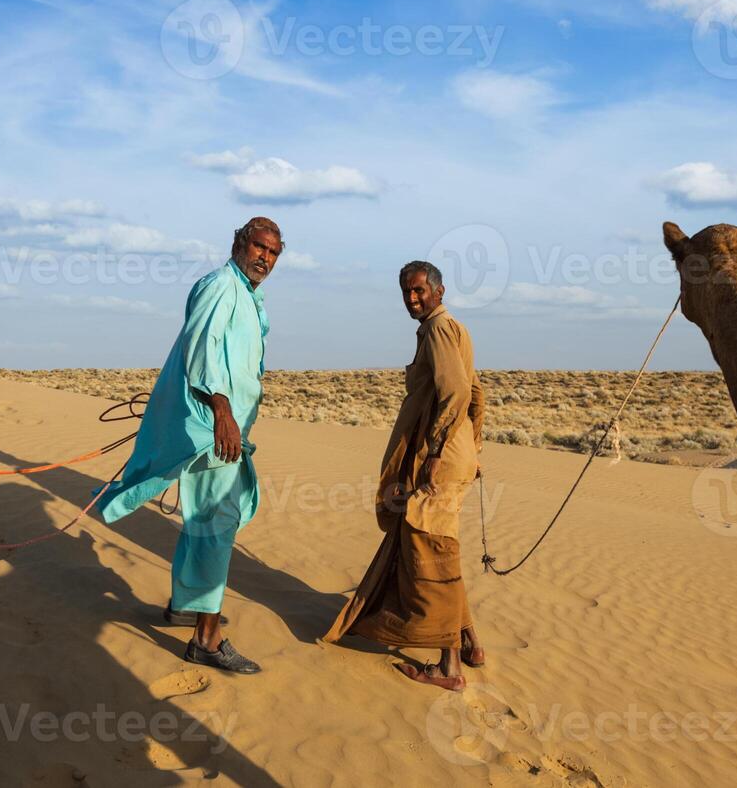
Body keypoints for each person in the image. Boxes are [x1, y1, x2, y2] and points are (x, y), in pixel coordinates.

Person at [98, 217, 283, 675]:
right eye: (259, 247)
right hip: (214, 429)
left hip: (227, 428)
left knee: (207, 518)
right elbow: (201, 348)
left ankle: (189, 605)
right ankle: (206, 638)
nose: (265, 257)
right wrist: (222, 410)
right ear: (240, 243)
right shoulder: (221, 285)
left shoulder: (246, 293)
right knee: (215, 523)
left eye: (274, 252)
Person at [323, 260, 486, 690]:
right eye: (406, 292)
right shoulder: (452, 329)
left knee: (430, 547)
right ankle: (470, 642)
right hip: (456, 453)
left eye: (419, 291)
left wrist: (435, 451)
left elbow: (458, 391)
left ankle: (449, 664)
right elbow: (476, 392)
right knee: (439, 541)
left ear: (439, 290)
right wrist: (475, 447)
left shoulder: (437, 329)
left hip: (441, 459)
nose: (412, 299)